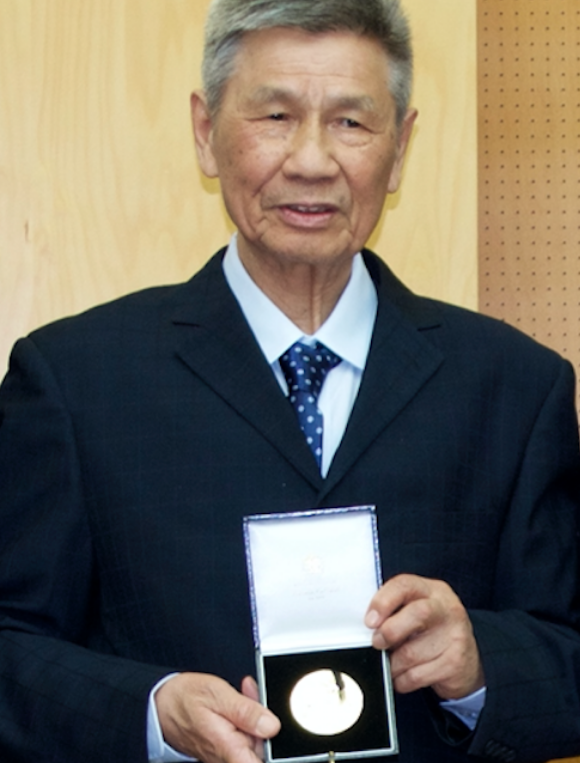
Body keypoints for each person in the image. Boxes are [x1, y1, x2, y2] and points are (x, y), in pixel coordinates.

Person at [0, 0, 580, 761]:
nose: (311, 160)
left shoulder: (516, 386)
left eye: (351, 122)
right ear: (206, 132)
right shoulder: (74, 379)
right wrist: (151, 712)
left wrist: (479, 665)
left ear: (401, 147)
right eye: (274, 115)